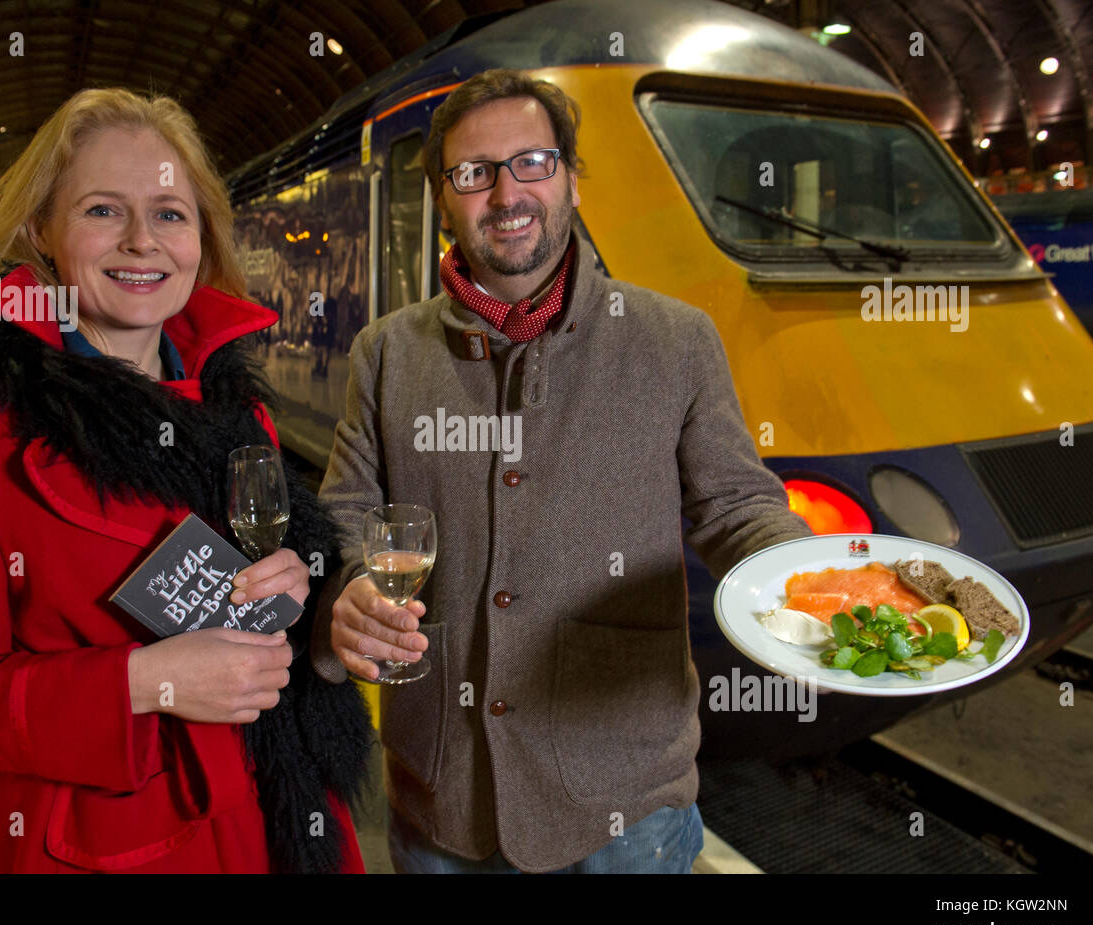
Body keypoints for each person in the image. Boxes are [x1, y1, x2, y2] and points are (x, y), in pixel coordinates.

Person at [0, 88, 371, 873]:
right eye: (102, 210)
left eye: (170, 212)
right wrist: (141, 681)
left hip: (286, 821)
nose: (142, 241)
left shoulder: (232, 403)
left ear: (200, 236)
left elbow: (259, 607)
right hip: (123, 849)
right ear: (40, 232)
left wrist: (304, 597)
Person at [311, 69, 814, 874]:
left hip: (623, 806)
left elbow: (736, 505)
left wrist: (808, 580)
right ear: (444, 199)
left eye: (532, 163)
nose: (506, 193)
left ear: (573, 181)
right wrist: (345, 598)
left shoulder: (674, 339)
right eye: (473, 173)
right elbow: (341, 522)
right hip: (444, 797)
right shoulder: (387, 354)